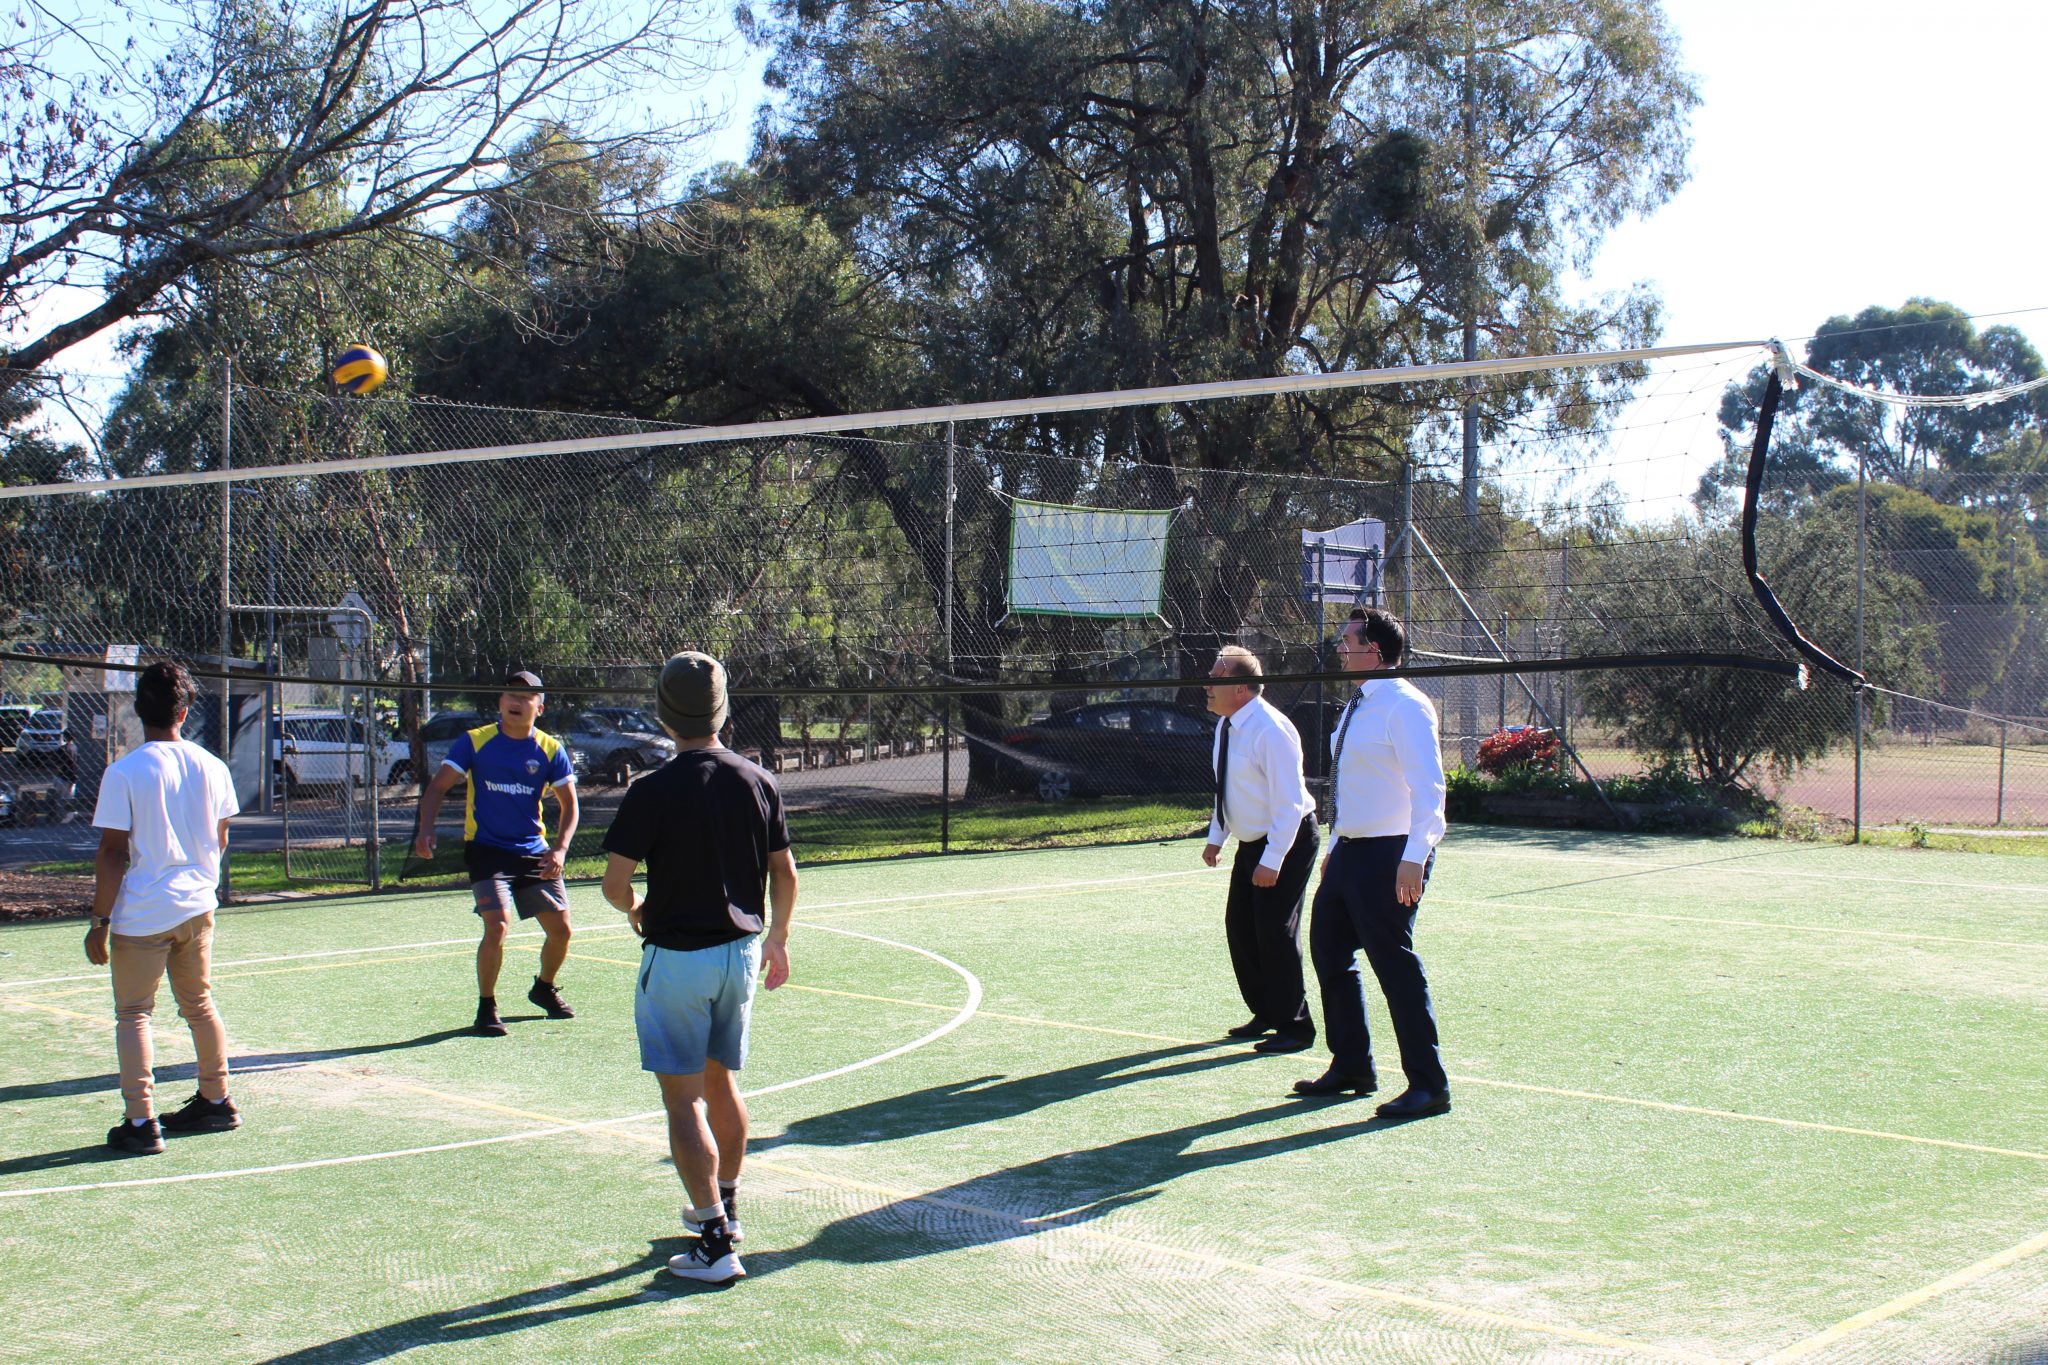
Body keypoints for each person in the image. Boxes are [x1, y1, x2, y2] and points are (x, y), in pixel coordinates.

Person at [602, 651, 797, 1286]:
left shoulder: (650, 789)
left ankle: (714, 1243)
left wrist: (634, 908)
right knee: (722, 1086)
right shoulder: (758, 780)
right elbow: (784, 874)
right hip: (739, 956)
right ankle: (728, 1205)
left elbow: (615, 883)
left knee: (682, 1100)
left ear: (664, 713)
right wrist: (780, 940)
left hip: (678, 959)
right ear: (724, 708)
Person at [1293, 607, 1452, 1120]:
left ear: (1375, 651)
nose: (1339, 647)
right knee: (1329, 953)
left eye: (1348, 640)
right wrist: (1337, 846)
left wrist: (1415, 856)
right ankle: (1352, 1065)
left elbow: (1429, 789)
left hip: (1392, 852)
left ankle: (1429, 1085)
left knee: (1394, 965)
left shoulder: (1405, 705)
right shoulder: (1357, 703)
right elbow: (1351, 784)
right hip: (1351, 852)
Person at [85, 661, 243, 1155]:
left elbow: (114, 852)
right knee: (199, 1005)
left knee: (134, 1013)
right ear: (186, 709)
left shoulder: (125, 771)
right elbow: (221, 834)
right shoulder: (212, 765)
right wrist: (199, 876)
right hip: (197, 907)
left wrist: (99, 921)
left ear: (138, 709)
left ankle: (140, 1120)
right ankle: (216, 1100)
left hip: (143, 913)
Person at [413, 670, 580, 1036]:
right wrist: (426, 829)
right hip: (487, 850)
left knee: (562, 931)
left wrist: (560, 849)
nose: (516, 702)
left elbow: (570, 805)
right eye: (509, 695)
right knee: (498, 923)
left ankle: (543, 988)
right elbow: (437, 788)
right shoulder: (474, 742)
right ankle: (486, 1006)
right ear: (500, 702)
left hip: (533, 852)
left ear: (540, 706)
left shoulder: (551, 749)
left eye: (525, 697)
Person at [1201, 645, 1320, 1054]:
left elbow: (1288, 804)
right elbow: (1227, 788)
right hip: (1252, 843)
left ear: (1239, 687)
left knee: (1275, 932)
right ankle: (1267, 1012)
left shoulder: (1270, 729)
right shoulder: (1226, 725)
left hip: (1288, 839)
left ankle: (1296, 1026)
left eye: (1215, 679)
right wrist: (1217, 837)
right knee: (1241, 927)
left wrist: (1272, 860)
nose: (1206, 686)